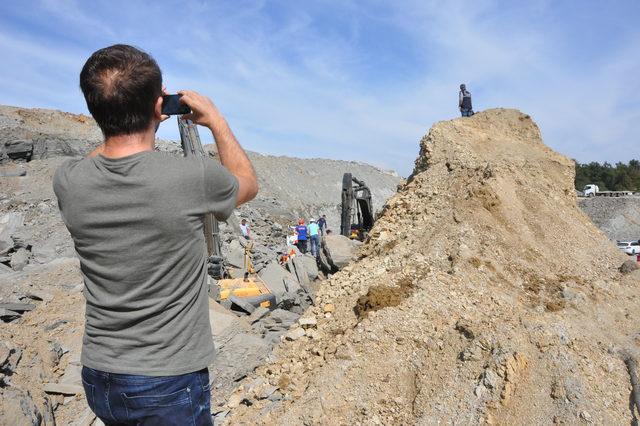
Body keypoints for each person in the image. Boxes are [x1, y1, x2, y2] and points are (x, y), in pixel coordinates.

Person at [53, 44, 258, 425]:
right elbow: (247, 184)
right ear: (158, 105)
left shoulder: (68, 180)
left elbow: (105, 153)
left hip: (99, 374)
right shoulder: (190, 176)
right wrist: (216, 120)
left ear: (95, 107)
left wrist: (124, 119)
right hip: (166, 380)